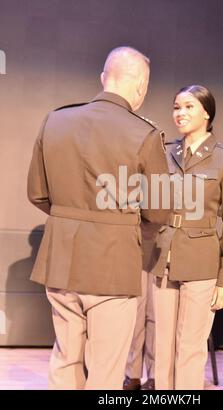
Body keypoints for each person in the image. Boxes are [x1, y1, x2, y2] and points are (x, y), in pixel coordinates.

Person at [27, 46, 169, 390]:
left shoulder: (55, 120)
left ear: (104, 78)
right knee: (105, 371)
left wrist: (73, 220)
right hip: (112, 262)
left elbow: (37, 193)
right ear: (141, 87)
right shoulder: (145, 134)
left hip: (61, 260)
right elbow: (159, 211)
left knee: (65, 358)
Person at [150, 84, 223, 390]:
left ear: (206, 112)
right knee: (161, 345)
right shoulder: (163, 153)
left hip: (202, 261)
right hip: (162, 257)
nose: (180, 113)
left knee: (190, 346)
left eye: (189, 107)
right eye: (177, 107)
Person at [123, 220, 156, 391]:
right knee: (135, 315)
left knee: (156, 316)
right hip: (136, 245)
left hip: (164, 249)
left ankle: (155, 376)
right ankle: (132, 374)